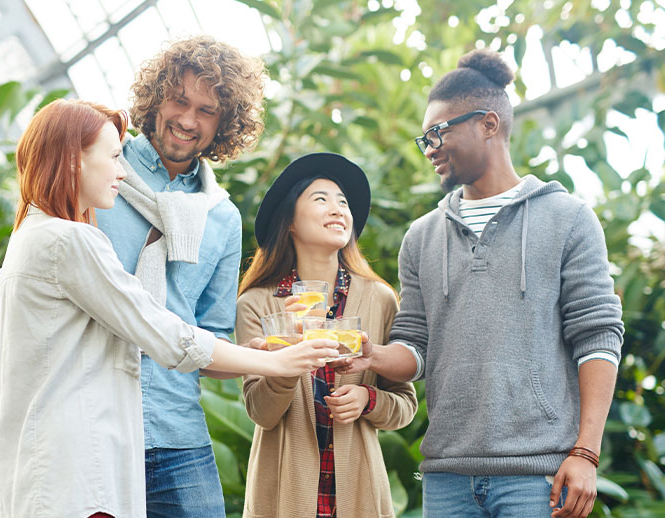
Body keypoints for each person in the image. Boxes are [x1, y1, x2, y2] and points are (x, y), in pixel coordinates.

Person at [0, 99, 339, 518]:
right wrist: (281, 363)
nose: (120, 170)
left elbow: (199, 332)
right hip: (76, 458)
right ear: (73, 160)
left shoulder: (34, 232)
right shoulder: (72, 238)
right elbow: (162, 331)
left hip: (119, 441)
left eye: (207, 109)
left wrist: (255, 356)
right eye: (113, 157)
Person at [334, 49, 624, 518]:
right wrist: (375, 356)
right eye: (423, 138)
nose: (429, 147)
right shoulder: (422, 236)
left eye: (438, 132)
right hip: (447, 477)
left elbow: (598, 338)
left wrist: (586, 453)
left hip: (539, 477)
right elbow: (416, 347)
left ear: (489, 123)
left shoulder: (568, 219)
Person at [92, 35, 266, 517]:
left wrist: (257, 357)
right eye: (179, 100)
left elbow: (209, 338)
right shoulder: (99, 167)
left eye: (207, 111)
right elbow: (23, 289)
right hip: (93, 419)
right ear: (156, 98)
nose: (188, 120)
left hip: (176, 432)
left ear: (225, 123)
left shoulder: (222, 216)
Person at [236, 152, 418, 518]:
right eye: (321, 199)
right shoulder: (257, 303)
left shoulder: (379, 299)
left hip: (361, 494)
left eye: (343, 202)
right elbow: (261, 412)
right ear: (289, 221)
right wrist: (287, 356)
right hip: (283, 497)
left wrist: (368, 400)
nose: (338, 209)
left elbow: (405, 404)